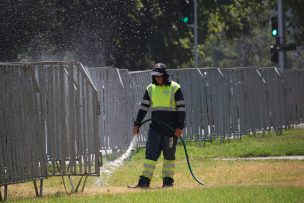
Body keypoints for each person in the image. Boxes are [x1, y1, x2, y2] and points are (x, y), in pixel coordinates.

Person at [130, 63, 186, 188]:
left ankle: (167, 182)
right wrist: (137, 123)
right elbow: (143, 108)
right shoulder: (150, 88)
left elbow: (181, 109)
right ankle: (144, 182)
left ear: (165, 76)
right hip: (155, 129)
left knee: (169, 157)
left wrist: (180, 127)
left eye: (160, 76)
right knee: (150, 155)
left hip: (171, 130)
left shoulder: (175, 88)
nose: (157, 78)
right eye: (155, 76)